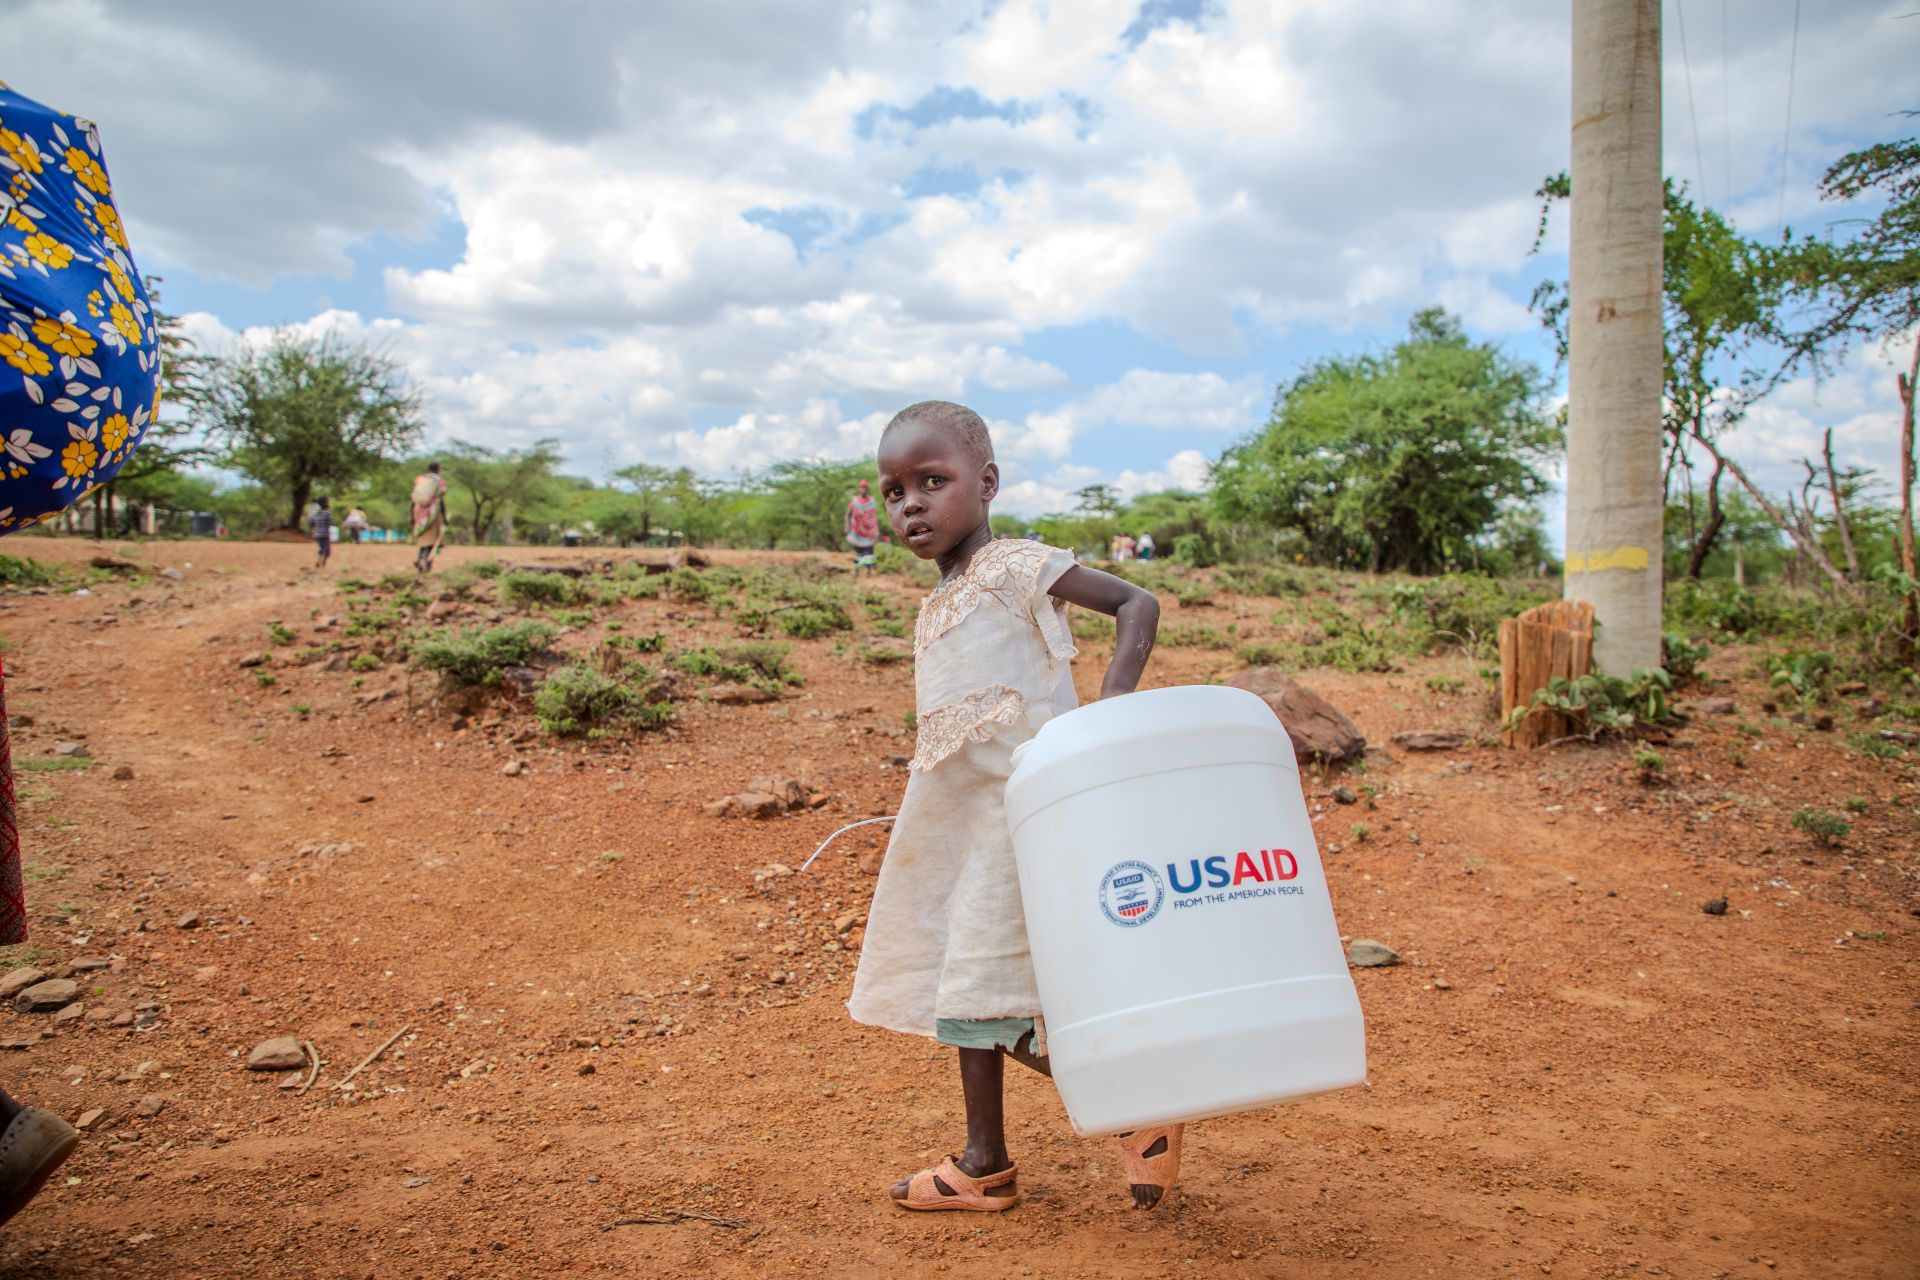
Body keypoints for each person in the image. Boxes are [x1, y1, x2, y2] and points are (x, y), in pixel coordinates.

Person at [848, 400, 1177, 1214]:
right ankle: (984, 1162)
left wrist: (1108, 712)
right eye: (894, 492)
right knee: (973, 988)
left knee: (980, 998)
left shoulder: (1012, 565)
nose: (912, 504)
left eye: (933, 481)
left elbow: (1137, 605)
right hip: (963, 824)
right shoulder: (941, 596)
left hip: (1023, 813)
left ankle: (1137, 1103)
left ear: (986, 483)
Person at [410, 462, 447, 573]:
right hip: (432, 513)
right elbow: (440, 500)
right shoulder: (439, 481)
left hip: (418, 512)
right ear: (438, 469)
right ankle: (426, 562)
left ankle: (419, 559)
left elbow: (413, 498)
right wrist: (444, 516)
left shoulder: (420, 479)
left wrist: (411, 516)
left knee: (423, 538)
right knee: (431, 539)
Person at [845, 478, 881, 576]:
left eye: (865, 488)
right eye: (861, 488)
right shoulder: (855, 501)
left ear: (867, 489)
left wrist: (876, 530)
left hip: (869, 532)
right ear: (859, 489)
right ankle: (857, 570)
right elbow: (848, 514)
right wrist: (847, 527)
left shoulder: (871, 501)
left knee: (869, 551)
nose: (863, 490)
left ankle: (869, 571)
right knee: (858, 551)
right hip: (857, 531)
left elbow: (873, 517)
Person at [309, 497, 335, 569]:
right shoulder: (328, 513)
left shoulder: (316, 514)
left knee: (322, 548)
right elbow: (330, 522)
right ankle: (321, 561)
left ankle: (321, 561)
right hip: (325, 534)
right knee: (325, 549)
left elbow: (311, 522)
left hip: (317, 534)